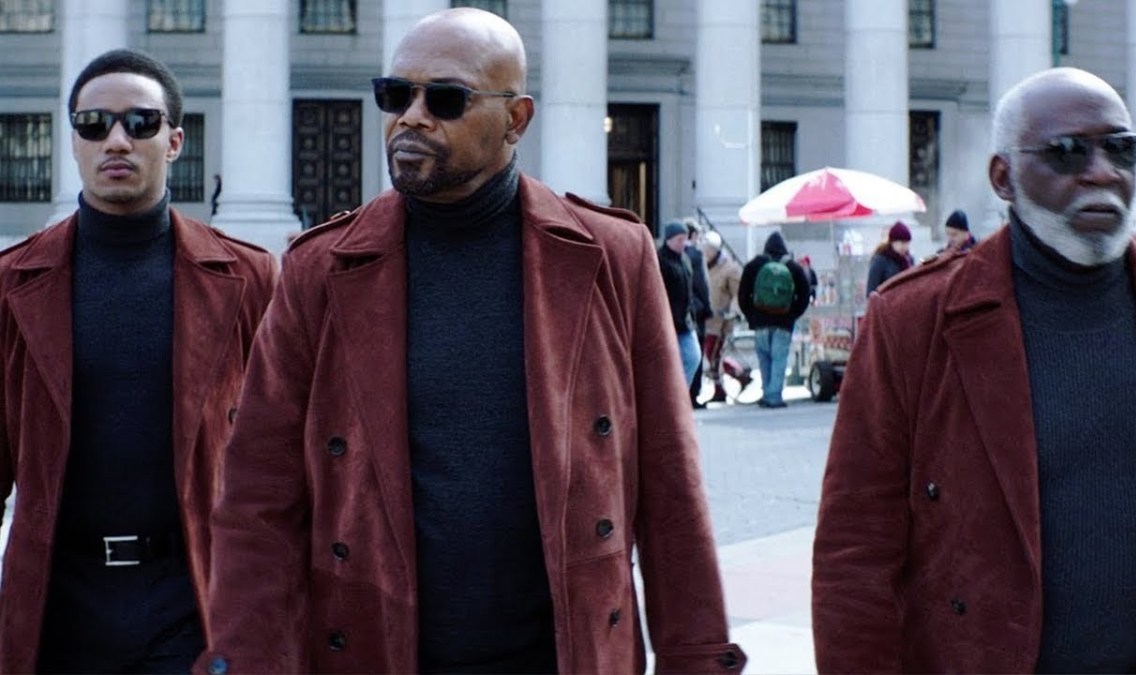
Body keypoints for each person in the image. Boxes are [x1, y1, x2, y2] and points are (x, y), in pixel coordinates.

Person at [197, 8, 744, 674]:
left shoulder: (611, 256)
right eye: (396, 95)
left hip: (563, 655)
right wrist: (244, 660)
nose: (412, 117)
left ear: (516, 119)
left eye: (446, 99)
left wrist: (696, 656)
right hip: (376, 651)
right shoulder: (321, 269)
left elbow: (670, 487)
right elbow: (258, 496)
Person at [812, 66, 1136, 673]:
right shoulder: (912, 321)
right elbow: (855, 549)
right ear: (1004, 177)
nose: (1102, 172)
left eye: (1121, 149)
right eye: (1067, 151)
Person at [0, 48, 277, 672]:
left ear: (174, 141)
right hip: (56, 608)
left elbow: (285, 459)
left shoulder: (249, 278)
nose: (117, 140)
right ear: (74, 142)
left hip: (193, 602)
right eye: (94, 124)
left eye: (141, 123)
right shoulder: (13, 284)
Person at [737, 232, 810, 409]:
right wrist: (793, 314)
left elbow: (742, 294)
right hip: (784, 322)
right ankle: (774, 396)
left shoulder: (754, 265)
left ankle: (766, 394)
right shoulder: (793, 267)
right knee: (779, 359)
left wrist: (751, 316)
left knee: (764, 359)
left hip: (760, 321)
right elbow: (805, 295)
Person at [701, 230, 750, 403]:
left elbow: (738, 293)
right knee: (712, 355)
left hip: (721, 321)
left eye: (709, 249)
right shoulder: (704, 267)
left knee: (712, 354)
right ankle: (734, 376)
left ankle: (729, 381)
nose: (706, 252)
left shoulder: (730, 269)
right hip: (706, 319)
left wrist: (733, 312)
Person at [659, 219, 703, 387]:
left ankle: (680, 393)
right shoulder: (660, 260)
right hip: (668, 323)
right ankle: (674, 395)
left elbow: (689, 291)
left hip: (685, 321)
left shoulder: (685, 259)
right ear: (669, 239)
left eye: (685, 239)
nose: (683, 243)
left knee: (693, 357)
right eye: (679, 239)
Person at [684, 221, 713, 408]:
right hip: (696, 311)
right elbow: (701, 283)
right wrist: (708, 308)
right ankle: (693, 394)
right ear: (693, 236)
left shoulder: (668, 253)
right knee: (696, 354)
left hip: (680, 312)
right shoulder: (695, 255)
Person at [865, 220, 914, 294]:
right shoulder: (880, 260)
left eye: (907, 243)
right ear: (893, 242)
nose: (905, 247)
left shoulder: (909, 260)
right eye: (902, 243)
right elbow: (871, 290)